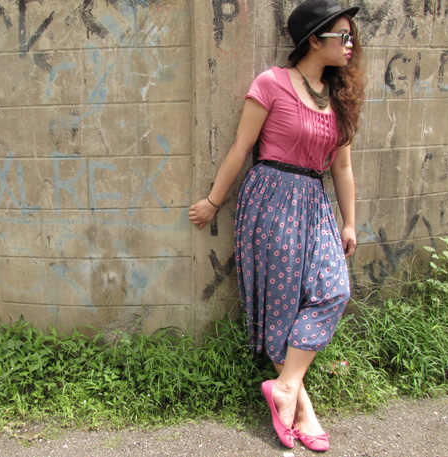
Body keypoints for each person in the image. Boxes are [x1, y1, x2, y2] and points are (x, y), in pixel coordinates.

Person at [188, 0, 365, 452]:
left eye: (351, 37)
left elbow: (342, 167)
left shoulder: (337, 98)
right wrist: (213, 201)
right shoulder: (271, 83)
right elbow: (240, 147)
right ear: (314, 40)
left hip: (315, 203)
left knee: (334, 290)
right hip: (271, 198)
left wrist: (349, 223)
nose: (350, 45)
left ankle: (284, 386)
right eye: (342, 36)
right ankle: (302, 408)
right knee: (281, 306)